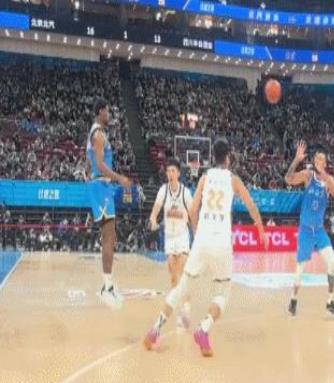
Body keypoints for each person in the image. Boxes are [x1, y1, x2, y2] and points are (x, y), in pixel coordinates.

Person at [144, 138, 267, 356]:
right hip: (221, 242)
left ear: (213, 157)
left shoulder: (204, 177)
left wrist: (196, 231)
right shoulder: (233, 180)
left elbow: (193, 210)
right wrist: (261, 230)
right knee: (223, 292)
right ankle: (204, 329)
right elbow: (251, 206)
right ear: (228, 158)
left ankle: (155, 330)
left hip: (202, 240)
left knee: (181, 288)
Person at [284, 140, 334, 318]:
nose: (318, 161)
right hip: (305, 231)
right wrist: (296, 160)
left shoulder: (328, 180)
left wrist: (326, 177)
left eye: (321, 159)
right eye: (316, 158)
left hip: (319, 231)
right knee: (299, 270)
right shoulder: (308, 176)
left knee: (332, 263)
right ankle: (293, 300)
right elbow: (288, 179)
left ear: (325, 163)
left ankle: (330, 302)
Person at [86, 98, 131, 309]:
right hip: (101, 186)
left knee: (109, 236)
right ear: (100, 112)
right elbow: (100, 165)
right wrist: (119, 178)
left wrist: (90, 175)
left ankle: (108, 285)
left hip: (101, 186)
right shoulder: (98, 134)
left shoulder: (96, 133)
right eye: (107, 111)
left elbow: (90, 164)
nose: (109, 115)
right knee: (108, 237)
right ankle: (106, 287)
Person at [149, 159, 193, 329]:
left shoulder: (185, 192)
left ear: (179, 173)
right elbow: (156, 208)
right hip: (169, 237)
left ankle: (186, 309)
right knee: (173, 277)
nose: (170, 174)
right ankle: (180, 309)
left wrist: (196, 229)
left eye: (173, 171)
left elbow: (192, 213)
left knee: (181, 274)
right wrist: (153, 219)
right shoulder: (163, 190)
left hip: (182, 236)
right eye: (168, 171)